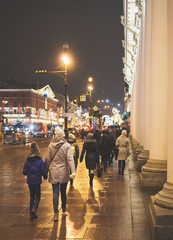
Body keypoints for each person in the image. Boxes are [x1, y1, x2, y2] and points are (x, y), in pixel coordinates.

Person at [45, 127, 76, 221]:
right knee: (63, 191)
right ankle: (63, 208)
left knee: (55, 192)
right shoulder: (66, 145)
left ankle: (55, 213)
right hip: (64, 172)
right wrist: (73, 171)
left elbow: (47, 159)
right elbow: (70, 159)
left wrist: (45, 170)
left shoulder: (51, 145)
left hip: (54, 171)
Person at [23, 141, 47, 220]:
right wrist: (45, 176)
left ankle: (31, 214)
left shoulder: (27, 161)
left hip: (30, 181)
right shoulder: (40, 161)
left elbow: (24, 172)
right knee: (38, 196)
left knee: (32, 197)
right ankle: (35, 208)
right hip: (37, 181)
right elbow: (43, 170)